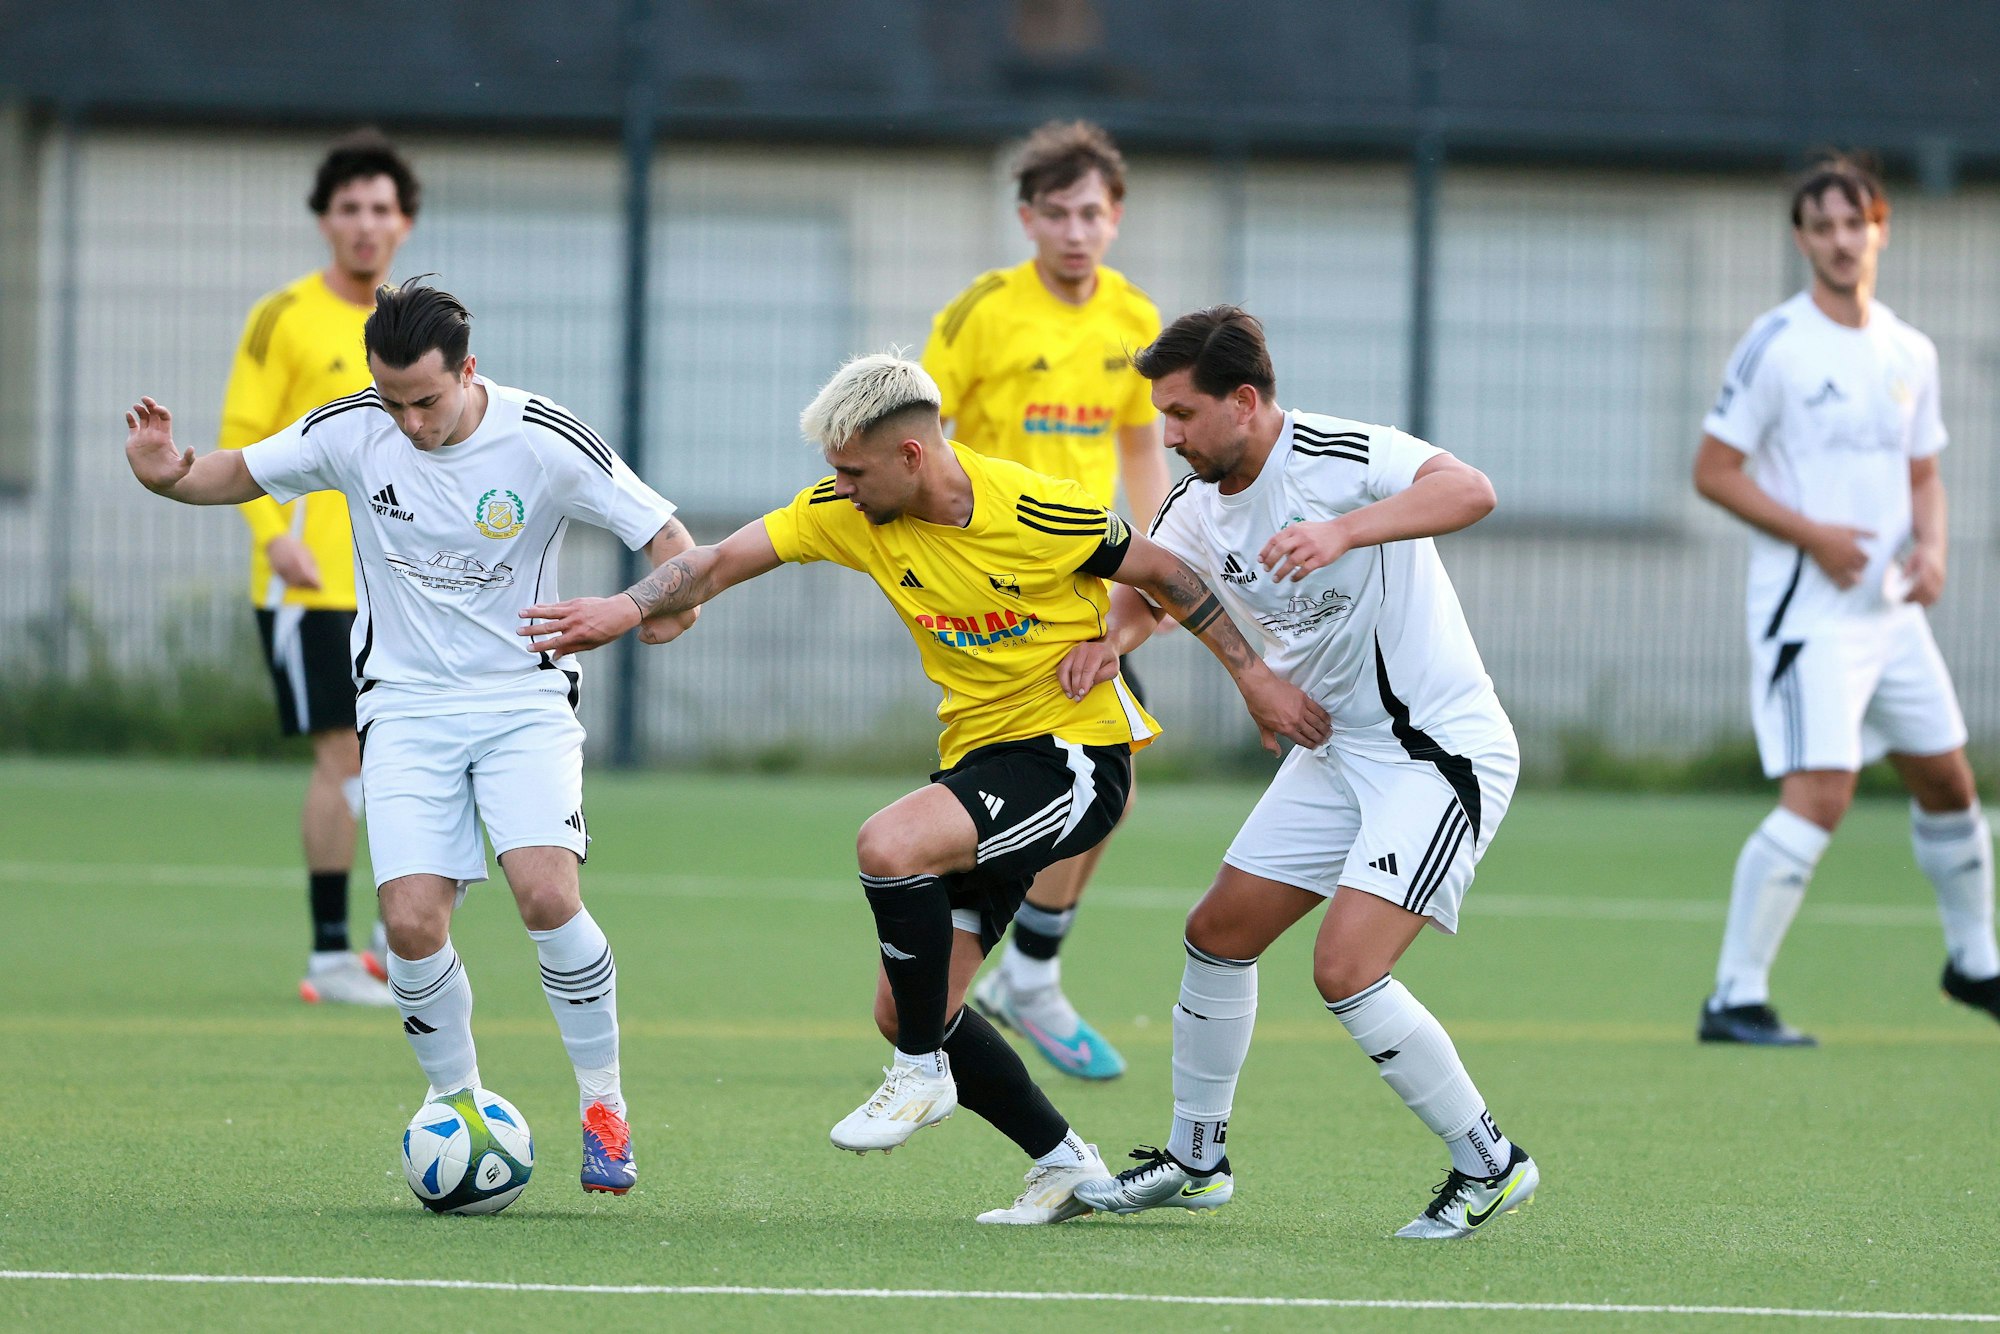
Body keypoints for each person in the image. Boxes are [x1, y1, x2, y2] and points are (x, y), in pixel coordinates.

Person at [519, 353, 1328, 1223]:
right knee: (914, 1002)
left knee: (889, 843)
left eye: (853, 470)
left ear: (911, 457)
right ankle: (1067, 1166)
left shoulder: (1037, 508)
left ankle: (916, 1076)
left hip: (1073, 753)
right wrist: (625, 607)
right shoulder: (849, 512)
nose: (839, 488)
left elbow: (1169, 574)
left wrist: (1250, 677)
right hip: (979, 763)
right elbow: (716, 562)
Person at [124, 280, 697, 1195]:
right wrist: (170, 473)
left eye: (425, 401)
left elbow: (672, 543)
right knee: (407, 924)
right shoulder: (355, 428)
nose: (409, 422)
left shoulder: (544, 438)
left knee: (546, 896)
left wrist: (645, 610)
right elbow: (238, 472)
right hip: (404, 707)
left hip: (522, 701)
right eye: (392, 401)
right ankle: (460, 1106)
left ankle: (604, 1108)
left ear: (468, 372)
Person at [1066, 306, 1538, 1240]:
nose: (1168, 434)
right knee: (1218, 932)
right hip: (1333, 752)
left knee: (1345, 968)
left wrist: (1348, 532)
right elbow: (1150, 589)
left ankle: (1491, 1163)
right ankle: (1197, 1158)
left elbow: (1472, 490)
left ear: (1244, 402)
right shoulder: (1194, 503)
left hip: (1434, 751)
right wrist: (1108, 646)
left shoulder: (1339, 455)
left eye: (1183, 413)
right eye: (1160, 413)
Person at [1693, 157, 1998, 1045]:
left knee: (1949, 781)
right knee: (1821, 795)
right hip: (1809, 616)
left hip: (1891, 614)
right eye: (1820, 227)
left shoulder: (1911, 349)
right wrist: (1813, 535)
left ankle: (1976, 963)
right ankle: (1734, 998)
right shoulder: (1776, 344)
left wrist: (1932, 549)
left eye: (1853, 223)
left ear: (1880, 229)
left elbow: (1925, 474)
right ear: (1801, 240)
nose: (1839, 240)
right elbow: (1713, 472)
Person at [921, 120, 1169, 1080]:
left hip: (1088, 577)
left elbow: (1144, 449)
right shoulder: (985, 311)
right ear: (1027, 218)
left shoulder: (1135, 318)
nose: (1075, 231)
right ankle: (999, 976)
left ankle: (1009, 974)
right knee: (1030, 790)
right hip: (996, 584)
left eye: (1092, 213)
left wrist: (1154, 561)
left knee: (1102, 788)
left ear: (1117, 219)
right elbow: (923, 434)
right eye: (1056, 213)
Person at [218, 130, 421, 1007]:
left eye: (381, 209)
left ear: (405, 223)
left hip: (405, 585)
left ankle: (387, 943)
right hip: (312, 587)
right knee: (344, 756)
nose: (366, 225)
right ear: (324, 220)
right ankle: (335, 954)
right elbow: (239, 445)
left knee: (405, 757)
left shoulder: (417, 324)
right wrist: (273, 537)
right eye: (350, 209)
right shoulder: (284, 316)